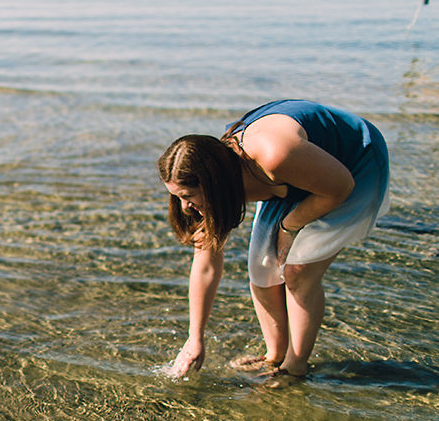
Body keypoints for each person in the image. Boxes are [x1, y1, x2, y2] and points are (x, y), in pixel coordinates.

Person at [157, 99, 389, 387]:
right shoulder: (214, 181)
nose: (184, 206)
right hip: (295, 178)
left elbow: (341, 186)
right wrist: (195, 338)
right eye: (177, 196)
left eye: (188, 196)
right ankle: (274, 356)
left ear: (215, 183)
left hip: (350, 165)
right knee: (263, 266)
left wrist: (288, 226)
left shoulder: (274, 155)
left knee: (297, 271)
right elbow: (205, 266)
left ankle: (295, 367)